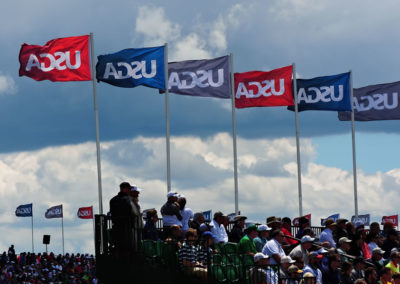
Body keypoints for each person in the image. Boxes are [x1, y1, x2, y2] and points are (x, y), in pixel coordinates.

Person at [109, 182, 142, 260]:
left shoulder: (112, 200)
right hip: (129, 228)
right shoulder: (130, 199)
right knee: (131, 249)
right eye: (129, 189)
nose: (130, 190)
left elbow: (112, 212)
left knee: (118, 248)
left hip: (116, 227)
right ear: (125, 189)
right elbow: (135, 213)